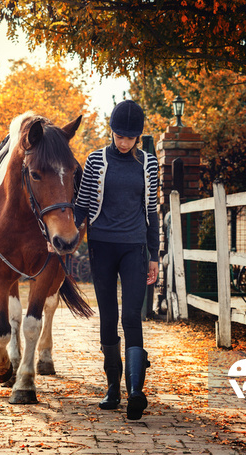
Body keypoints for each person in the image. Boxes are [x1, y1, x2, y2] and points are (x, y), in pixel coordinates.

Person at [74, 99, 159, 420]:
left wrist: (155, 256)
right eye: (118, 136)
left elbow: (151, 210)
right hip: (101, 247)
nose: (123, 142)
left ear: (138, 136)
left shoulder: (148, 164)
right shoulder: (95, 160)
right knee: (108, 317)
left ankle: (136, 390)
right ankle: (113, 387)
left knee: (131, 317)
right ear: (111, 132)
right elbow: (82, 205)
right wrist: (67, 236)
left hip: (135, 248)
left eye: (130, 138)